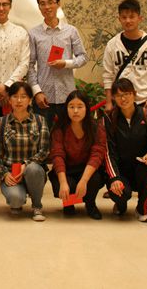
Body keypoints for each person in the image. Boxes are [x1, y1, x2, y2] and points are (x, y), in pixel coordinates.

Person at [27, 0, 87, 128]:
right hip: (44, 96)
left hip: (67, 95)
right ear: (39, 7)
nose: (47, 7)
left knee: (68, 134)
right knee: (43, 135)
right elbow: (29, 65)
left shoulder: (71, 31)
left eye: (50, 2)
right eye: (42, 4)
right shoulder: (33, 33)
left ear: (58, 4)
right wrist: (37, 92)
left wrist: (66, 63)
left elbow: (83, 57)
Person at [102, 78, 147, 222]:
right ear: (114, 98)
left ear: (134, 94)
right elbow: (108, 152)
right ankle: (120, 204)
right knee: (120, 193)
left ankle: (142, 208)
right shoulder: (109, 118)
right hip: (120, 170)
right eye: (119, 95)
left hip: (141, 167)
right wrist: (114, 177)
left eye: (127, 94)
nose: (123, 99)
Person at [0, 81, 49, 220]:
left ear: (30, 100)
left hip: (34, 173)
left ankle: (37, 206)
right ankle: (18, 197)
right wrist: (4, 173)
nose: (19, 100)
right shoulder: (1, 122)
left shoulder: (40, 121)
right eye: (15, 96)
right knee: (16, 201)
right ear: (9, 100)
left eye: (23, 96)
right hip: (11, 174)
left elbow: (44, 150)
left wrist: (26, 165)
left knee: (33, 169)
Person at [102, 0, 147, 115]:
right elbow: (108, 75)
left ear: (139, 18)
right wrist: (109, 101)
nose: (128, 20)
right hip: (120, 102)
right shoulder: (112, 45)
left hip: (145, 103)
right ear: (119, 19)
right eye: (124, 17)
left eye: (132, 17)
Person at [49, 90, 107, 219]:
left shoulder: (95, 127)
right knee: (65, 185)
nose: (75, 111)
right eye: (71, 107)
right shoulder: (59, 128)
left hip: (86, 169)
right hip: (67, 170)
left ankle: (90, 204)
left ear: (87, 108)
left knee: (95, 179)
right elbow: (57, 155)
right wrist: (63, 182)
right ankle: (68, 204)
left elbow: (97, 155)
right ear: (66, 109)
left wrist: (84, 180)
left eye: (80, 107)